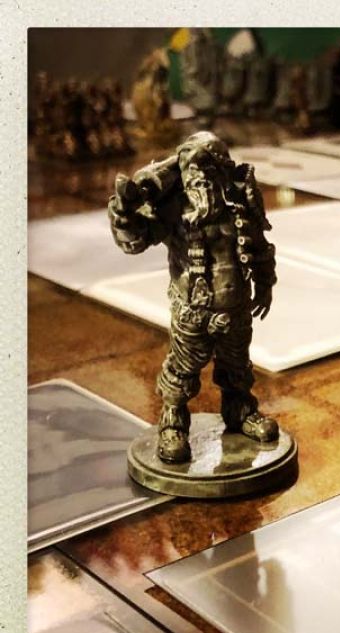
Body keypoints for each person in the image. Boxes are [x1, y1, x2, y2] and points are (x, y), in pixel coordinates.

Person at [108, 131, 278, 463]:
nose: (199, 177)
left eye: (207, 168)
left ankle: (241, 410)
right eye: (192, 169)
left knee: (236, 366)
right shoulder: (174, 210)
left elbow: (259, 246)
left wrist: (264, 283)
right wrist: (124, 214)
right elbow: (136, 240)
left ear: (222, 169)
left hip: (236, 306)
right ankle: (173, 423)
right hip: (192, 309)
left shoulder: (239, 203)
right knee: (182, 370)